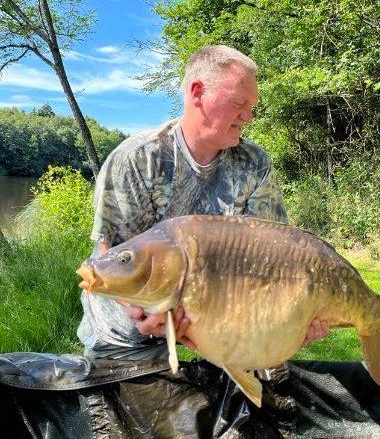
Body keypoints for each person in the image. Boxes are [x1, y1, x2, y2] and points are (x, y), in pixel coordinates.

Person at [77, 44, 328, 361]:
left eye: (252, 106)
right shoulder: (137, 159)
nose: (249, 116)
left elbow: (275, 257)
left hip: (220, 326)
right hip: (126, 337)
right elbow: (111, 258)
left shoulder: (255, 164)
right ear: (198, 92)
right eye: (240, 103)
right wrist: (144, 312)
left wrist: (293, 318)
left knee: (268, 392)